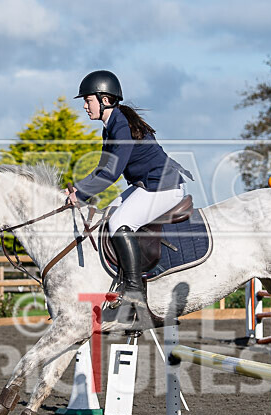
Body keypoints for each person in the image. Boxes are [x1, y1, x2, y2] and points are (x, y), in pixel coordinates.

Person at [65, 70, 190, 331]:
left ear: (105, 99)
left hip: (162, 187)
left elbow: (110, 173)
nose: (85, 107)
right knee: (108, 215)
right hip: (147, 186)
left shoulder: (120, 125)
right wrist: (77, 189)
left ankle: (135, 293)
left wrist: (81, 193)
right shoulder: (111, 127)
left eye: (88, 100)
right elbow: (103, 168)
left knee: (119, 222)